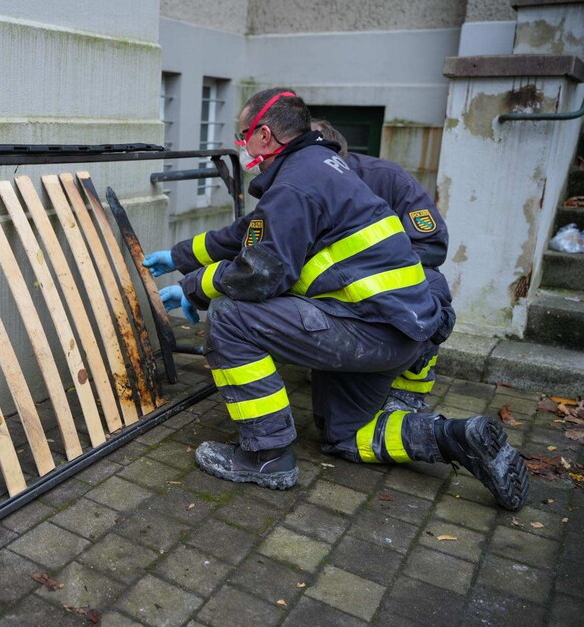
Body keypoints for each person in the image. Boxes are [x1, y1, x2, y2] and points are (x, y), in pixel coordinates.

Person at [143, 88, 528, 510]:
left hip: (369, 329)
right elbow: (249, 232)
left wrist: (194, 289)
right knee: (345, 436)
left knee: (232, 315)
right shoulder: (322, 167)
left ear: (265, 136)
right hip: (398, 333)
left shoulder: (295, 184)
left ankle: (267, 456)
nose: (242, 145)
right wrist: (180, 257)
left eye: (243, 135)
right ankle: (458, 437)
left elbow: (262, 274)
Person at [310, 120, 454, 414]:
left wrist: (372, 273)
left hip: (382, 282)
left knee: (431, 288)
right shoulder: (296, 183)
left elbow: (431, 242)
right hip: (325, 285)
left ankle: (411, 388)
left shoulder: (387, 179)